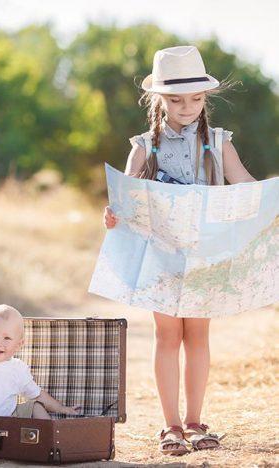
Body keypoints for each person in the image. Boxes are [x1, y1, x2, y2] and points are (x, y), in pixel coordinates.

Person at [104, 45, 255, 455]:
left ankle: (195, 420)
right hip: (162, 256)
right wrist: (114, 214)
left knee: (198, 335)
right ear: (159, 99)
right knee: (167, 335)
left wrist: (264, 202)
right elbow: (126, 198)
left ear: (206, 98)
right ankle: (170, 425)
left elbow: (242, 182)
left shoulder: (219, 142)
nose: (186, 107)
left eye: (195, 98)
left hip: (205, 254)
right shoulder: (145, 145)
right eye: (175, 99)